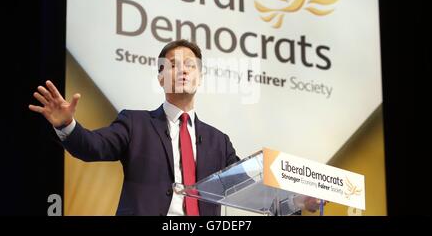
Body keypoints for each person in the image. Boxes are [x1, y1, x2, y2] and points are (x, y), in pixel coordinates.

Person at [29, 39, 322, 216]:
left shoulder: (219, 141)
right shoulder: (135, 123)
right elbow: (92, 147)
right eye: (172, 64)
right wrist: (67, 124)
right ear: (160, 78)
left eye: (190, 65)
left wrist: (298, 199)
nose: (182, 70)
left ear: (200, 77)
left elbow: (246, 190)